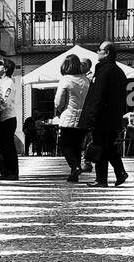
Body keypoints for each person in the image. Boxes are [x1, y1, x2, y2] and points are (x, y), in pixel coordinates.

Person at [81, 41, 129, 187]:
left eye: (99, 50)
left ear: (107, 52)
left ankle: (101, 180)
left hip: (102, 117)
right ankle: (120, 172)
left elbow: (98, 96)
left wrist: (91, 116)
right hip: (113, 117)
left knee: (100, 147)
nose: (97, 52)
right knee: (108, 147)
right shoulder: (118, 71)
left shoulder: (105, 71)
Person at [53, 54, 90, 182]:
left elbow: (58, 102)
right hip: (83, 119)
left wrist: (60, 110)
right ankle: (74, 172)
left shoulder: (65, 79)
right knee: (77, 146)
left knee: (64, 145)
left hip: (68, 117)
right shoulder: (86, 80)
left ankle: (75, 167)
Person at [0, 59, 19, 180]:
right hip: (1, 117)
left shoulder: (8, 82)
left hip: (8, 117)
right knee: (2, 146)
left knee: (8, 145)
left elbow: (5, 100)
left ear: (6, 69)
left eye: (1, 65)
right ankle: (5, 171)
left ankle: (12, 172)